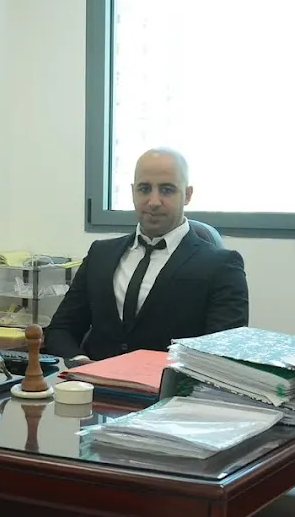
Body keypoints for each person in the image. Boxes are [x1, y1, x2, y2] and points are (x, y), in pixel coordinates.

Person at [44, 148, 249, 365]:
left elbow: (223, 355)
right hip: (91, 381)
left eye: (167, 190)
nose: (153, 201)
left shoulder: (221, 266)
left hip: (169, 384)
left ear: (187, 195)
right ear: (133, 192)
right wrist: (80, 362)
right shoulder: (100, 255)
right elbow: (61, 329)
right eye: (144, 189)